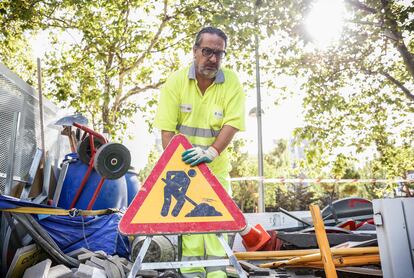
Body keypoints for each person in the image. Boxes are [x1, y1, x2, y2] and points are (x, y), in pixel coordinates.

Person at [154, 26, 245, 278]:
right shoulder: (176, 82)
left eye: (219, 53)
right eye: (207, 51)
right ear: (195, 51)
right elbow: (167, 131)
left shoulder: (231, 82)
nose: (213, 59)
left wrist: (212, 153)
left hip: (216, 168)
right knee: (190, 223)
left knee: (217, 224)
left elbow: (233, 123)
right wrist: (179, 167)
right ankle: (191, 273)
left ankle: (217, 273)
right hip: (184, 170)